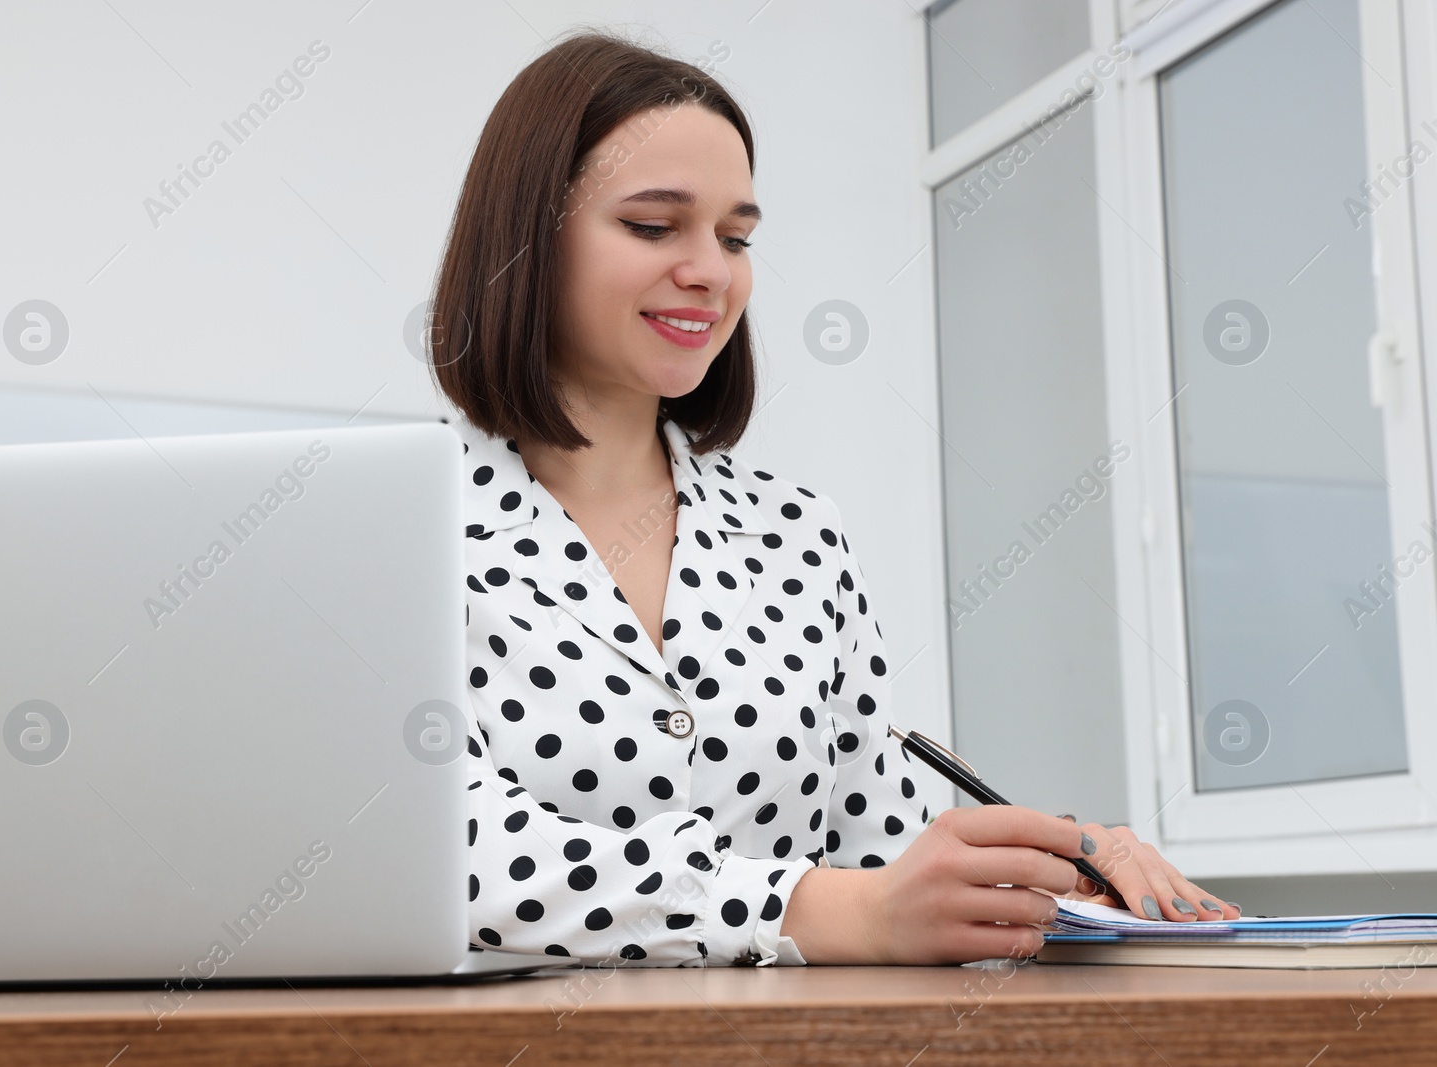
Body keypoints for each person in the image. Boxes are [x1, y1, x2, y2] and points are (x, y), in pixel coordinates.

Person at [425, 29, 1238, 967]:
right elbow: (457, 857)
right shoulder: (395, 529)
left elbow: (879, 844)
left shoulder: (795, 531)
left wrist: (1045, 871)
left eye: (736, 237)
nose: (711, 271)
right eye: (654, 225)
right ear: (524, 239)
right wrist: (823, 910)